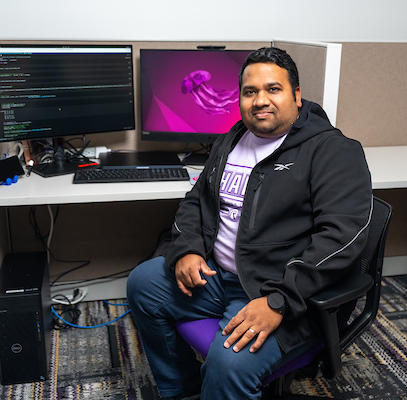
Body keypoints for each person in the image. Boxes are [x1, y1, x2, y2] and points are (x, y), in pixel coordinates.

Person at [127, 47, 373, 399]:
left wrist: (279, 300)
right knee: (143, 283)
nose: (260, 101)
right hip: (216, 276)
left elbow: (341, 238)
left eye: (274, 89)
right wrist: (187, 250)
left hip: (276, 288)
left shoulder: (332, 151)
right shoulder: (233, 138)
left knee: (229, 366)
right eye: (250, 91)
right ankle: (183, 390)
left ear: (297, 96)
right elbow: (196, 202)